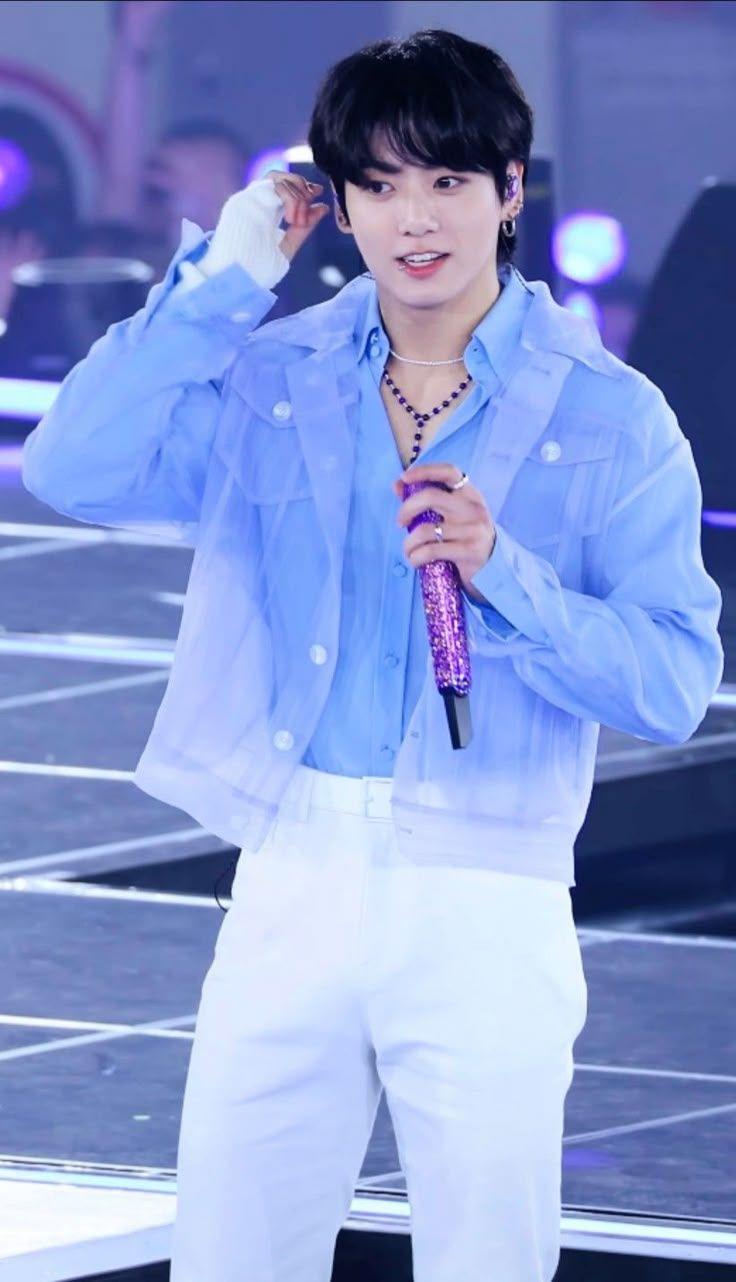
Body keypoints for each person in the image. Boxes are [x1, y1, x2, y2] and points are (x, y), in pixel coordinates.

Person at [21, 28, 724, 1282]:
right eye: (382, 183)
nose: (416, 218)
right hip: (292, 866)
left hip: (488, 879)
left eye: (448, 180)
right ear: (338, 205)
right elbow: (75, 466)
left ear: (509, 192)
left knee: (486, 1259)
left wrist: (505, 574)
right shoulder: (274, 376)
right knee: (232, 1254)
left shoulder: (611, 416)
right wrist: (226, 278)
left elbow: (672, 685)